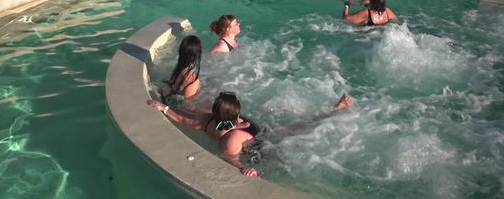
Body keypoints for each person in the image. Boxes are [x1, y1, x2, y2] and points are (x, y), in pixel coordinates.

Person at [147, 91, 353, 177]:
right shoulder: (231, 138)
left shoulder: (207, 120)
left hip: (261, 135)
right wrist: (245, 168)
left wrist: (163, 107)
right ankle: (332, 113)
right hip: (260, 150)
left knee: (296, 126)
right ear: (233, 113)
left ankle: (332, 112)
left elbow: (183, 118)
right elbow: (229, 158)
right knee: (295, 134)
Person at [160, 35, 201, 102]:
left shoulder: (178, 68)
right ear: (198, 55)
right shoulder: (192, 79)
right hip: (176, 104)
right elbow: (188, 105)